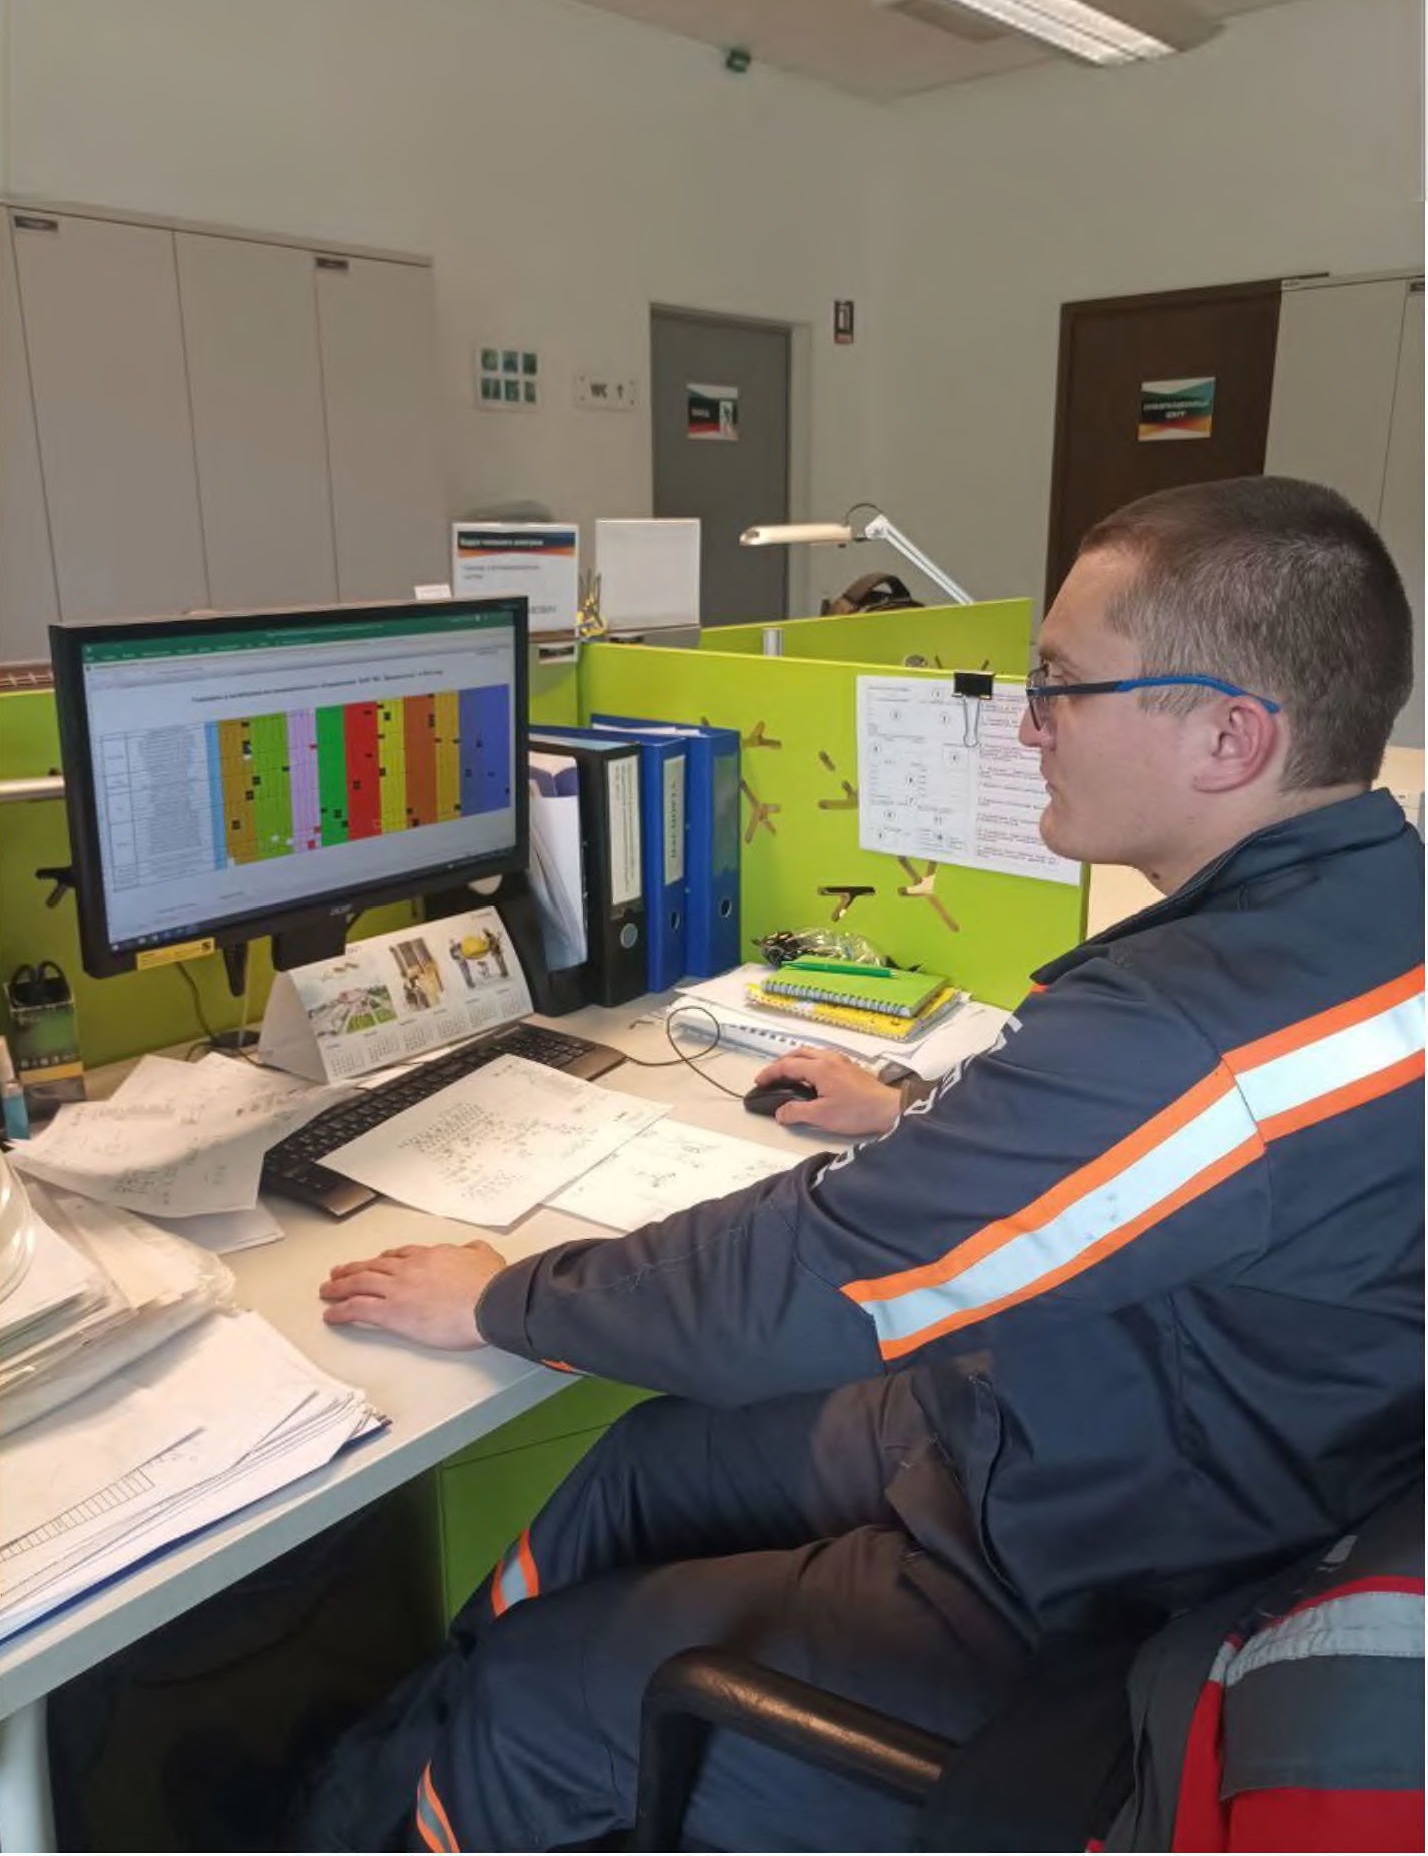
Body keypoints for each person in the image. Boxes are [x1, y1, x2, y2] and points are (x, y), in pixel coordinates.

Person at [300, 476, 1424, 1853]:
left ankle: (449, 1767)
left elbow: (806, 1277)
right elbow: (1196, 1156)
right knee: (644, 1463)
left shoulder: (1198, 1025)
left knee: (546, 1693)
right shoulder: (1371, 912)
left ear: (1231, 738)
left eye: (1062, 686)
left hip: (1100, 1575)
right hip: (1112, 1417)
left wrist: (501, 1298)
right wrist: (921, 1114)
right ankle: (399, 1755)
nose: (1028, 725)